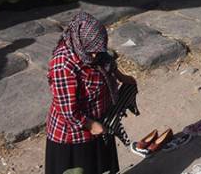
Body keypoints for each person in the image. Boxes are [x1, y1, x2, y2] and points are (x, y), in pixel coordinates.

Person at [45, 11, 135, 174]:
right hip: (74, 134)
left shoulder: (95, 52)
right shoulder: (63, 66)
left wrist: (122, 77)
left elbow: (107, 62)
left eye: (98, 50)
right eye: (91, 51)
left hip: (99, 121)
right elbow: (68, 111)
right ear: (80, 42)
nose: (94, 55)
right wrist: (92, 125)